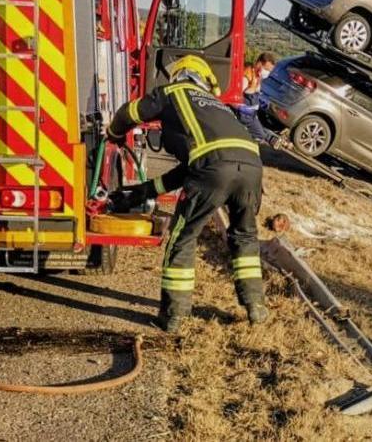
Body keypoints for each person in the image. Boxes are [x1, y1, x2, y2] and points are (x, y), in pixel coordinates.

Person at [104, 55, 267, 331]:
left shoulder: (172, 92)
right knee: (245, 237)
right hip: (253, 169)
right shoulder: (219, 107)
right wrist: (139, 193)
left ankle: (174, 316)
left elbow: (129, 113)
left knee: (183, 237)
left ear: (178, 76)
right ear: (205, 81)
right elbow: (194, 167)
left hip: (214, 169)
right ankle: (255, 307)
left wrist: (114, 134)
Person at [237, 52, 278, 144]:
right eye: (266, 69)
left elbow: (255, 92)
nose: (267, 73)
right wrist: (241, 108)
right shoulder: (247, 75)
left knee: (262, 131)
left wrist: (262, 102)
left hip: (252, 114)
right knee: (260, 135)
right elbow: (238, 95)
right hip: (245, 115)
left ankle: (272, 139)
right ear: (259, 63)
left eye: (269, 71)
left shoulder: (257, 76)